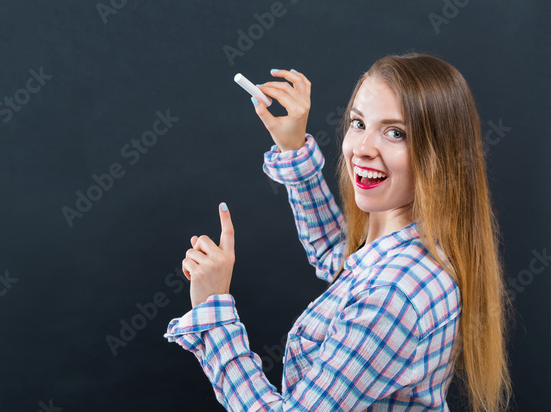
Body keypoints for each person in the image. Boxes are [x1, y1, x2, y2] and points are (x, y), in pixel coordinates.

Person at [163, 54, 511, 411]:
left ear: (440, 154)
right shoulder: (411, 245)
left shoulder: (392, 296)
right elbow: (338, 255)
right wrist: (293, 147)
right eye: (358, 123)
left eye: (395, 133)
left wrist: (212, 310)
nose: (361, 149)